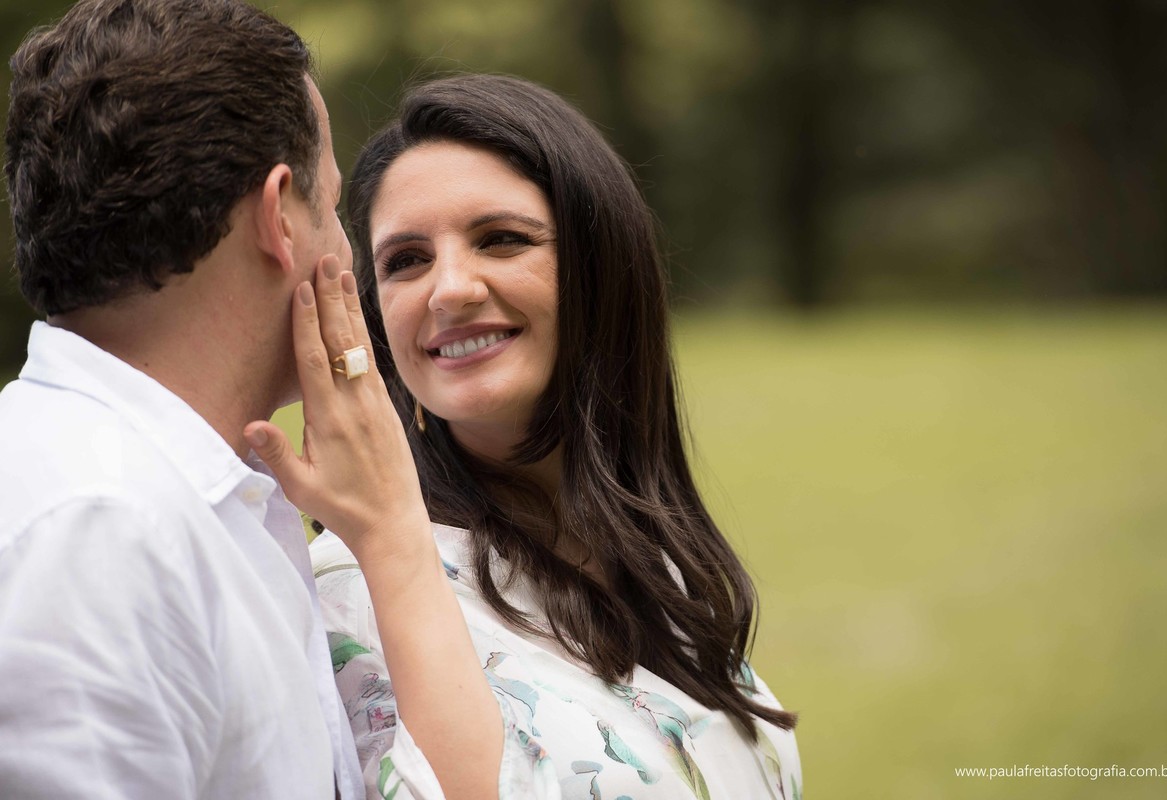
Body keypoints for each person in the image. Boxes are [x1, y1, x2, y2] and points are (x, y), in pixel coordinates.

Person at [305, 74, 804, 799]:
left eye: (501, 239)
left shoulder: (645, 553)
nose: (450, 289)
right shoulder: (352, 594)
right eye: (406, 261)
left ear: (602, 272)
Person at [0, 1, 365, 796]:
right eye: (331, 209)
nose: (347, 256)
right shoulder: (100, 532)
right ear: (280, 218)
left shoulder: (190, 497)